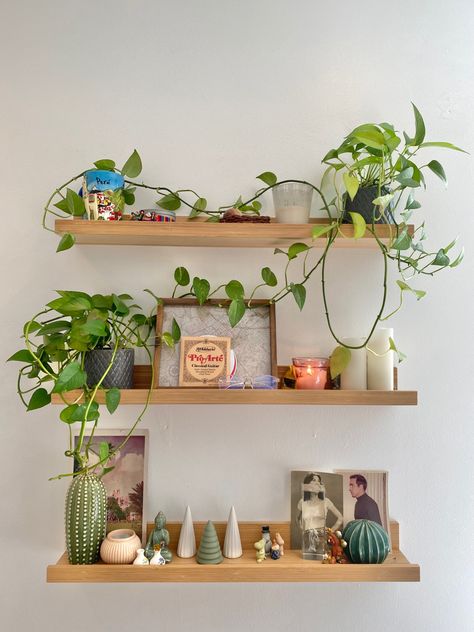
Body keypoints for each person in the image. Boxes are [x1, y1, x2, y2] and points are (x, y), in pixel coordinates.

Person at [296, 473, 343, 557]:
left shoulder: (326, 501)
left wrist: (330, 532)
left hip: (322, 541)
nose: (317, 483)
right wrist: (303, 532)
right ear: (307, 485)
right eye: (314, 480)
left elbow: (340, 518)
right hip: (307, 542)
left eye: (319, 481)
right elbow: (297, 519)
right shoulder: (302, 502)